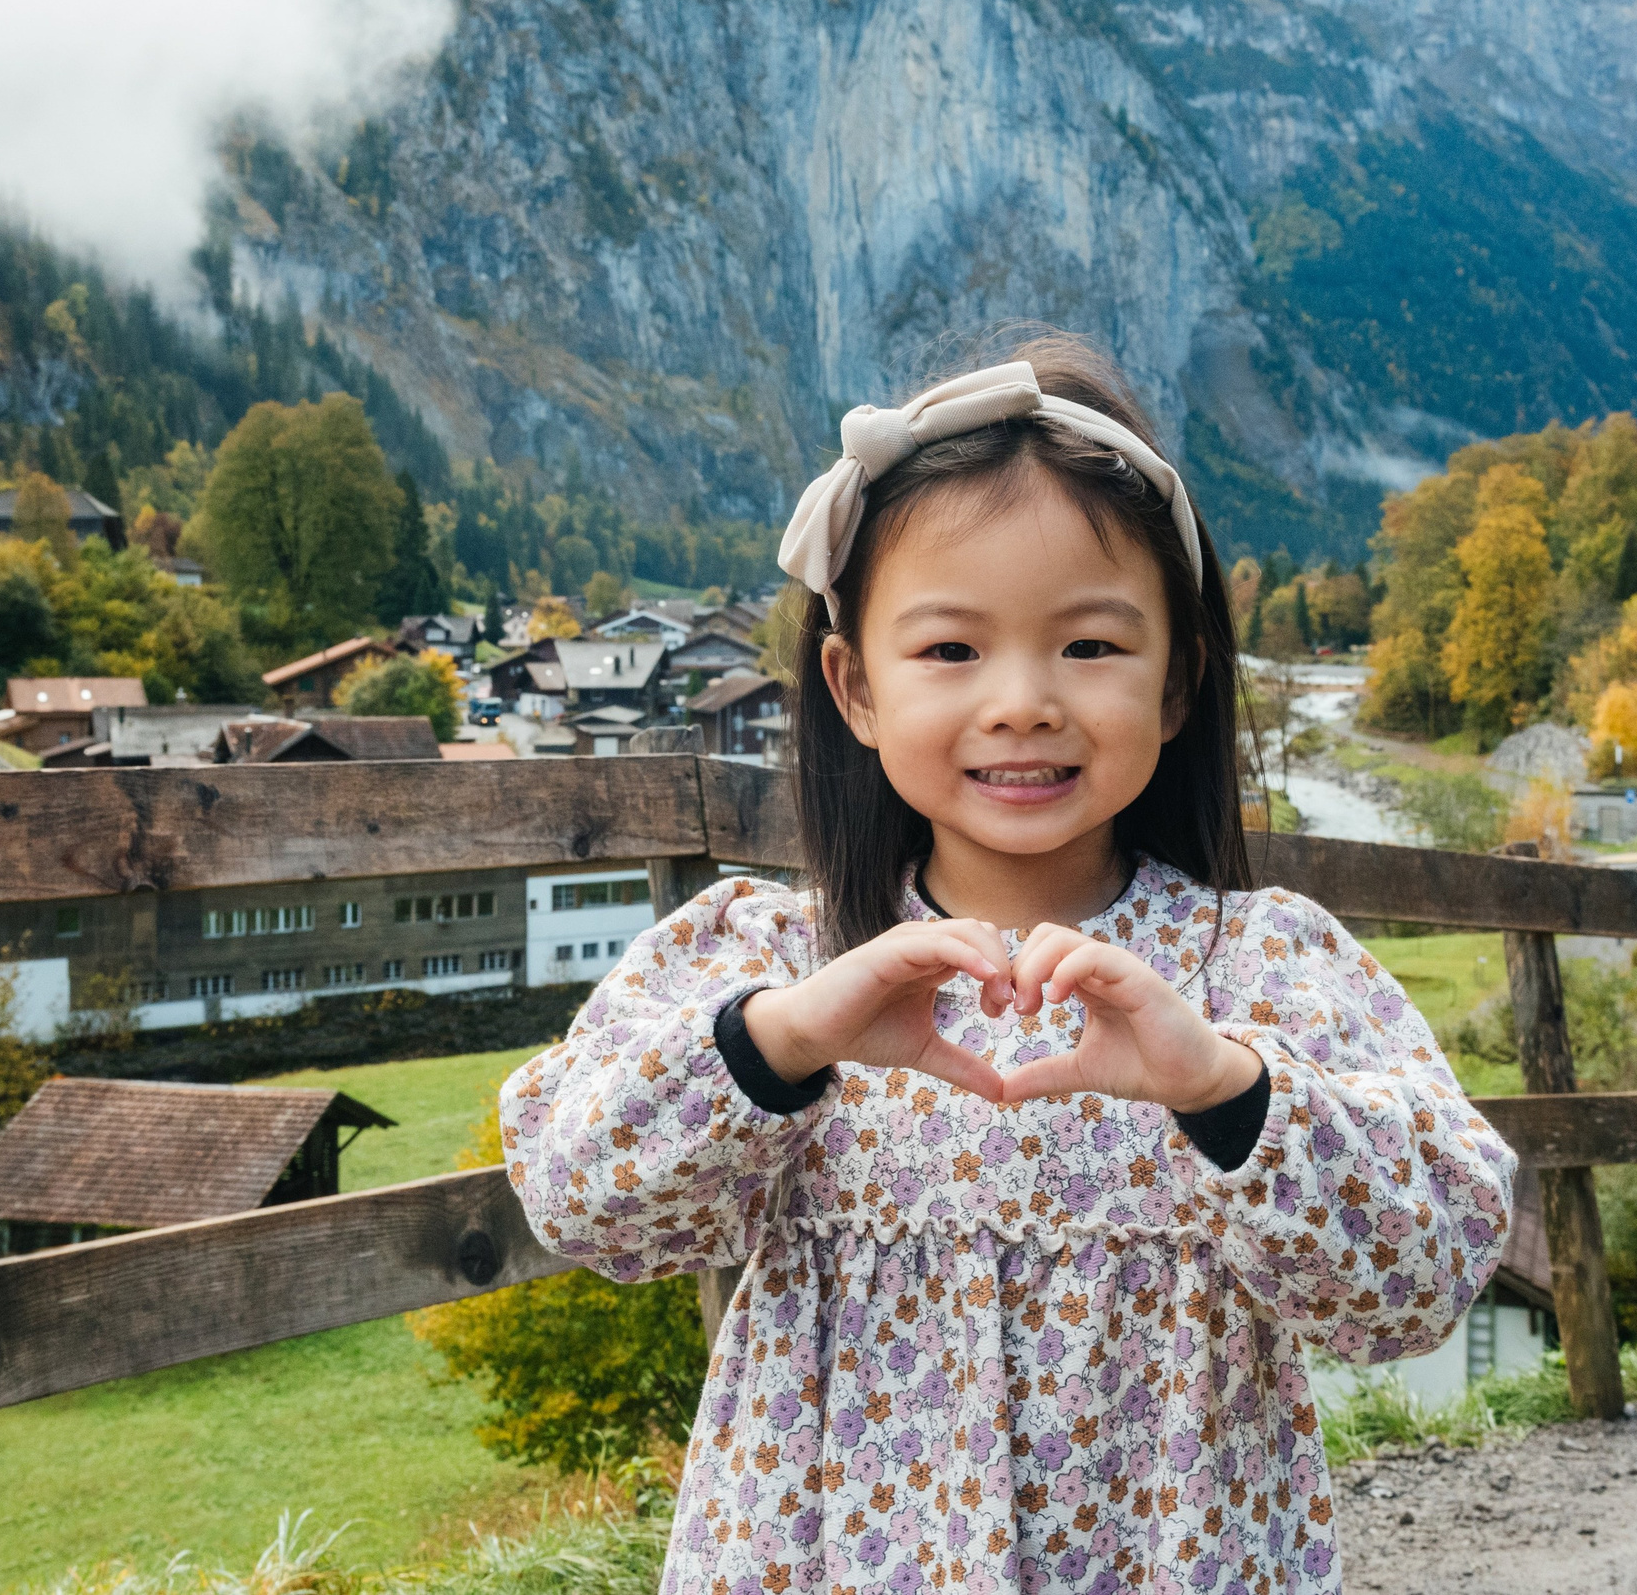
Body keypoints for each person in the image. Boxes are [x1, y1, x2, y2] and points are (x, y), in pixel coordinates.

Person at [498, 328, 1515, 1593]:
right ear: (853, 686)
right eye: (949, 649)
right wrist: (785, 1040)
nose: (1024, 699)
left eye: (1090, 645)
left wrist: (1227, 1089)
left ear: (1180, 682)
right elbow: (582, 1198)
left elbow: (1419, 1280)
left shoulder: (1263, 969)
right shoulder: (770, 956)